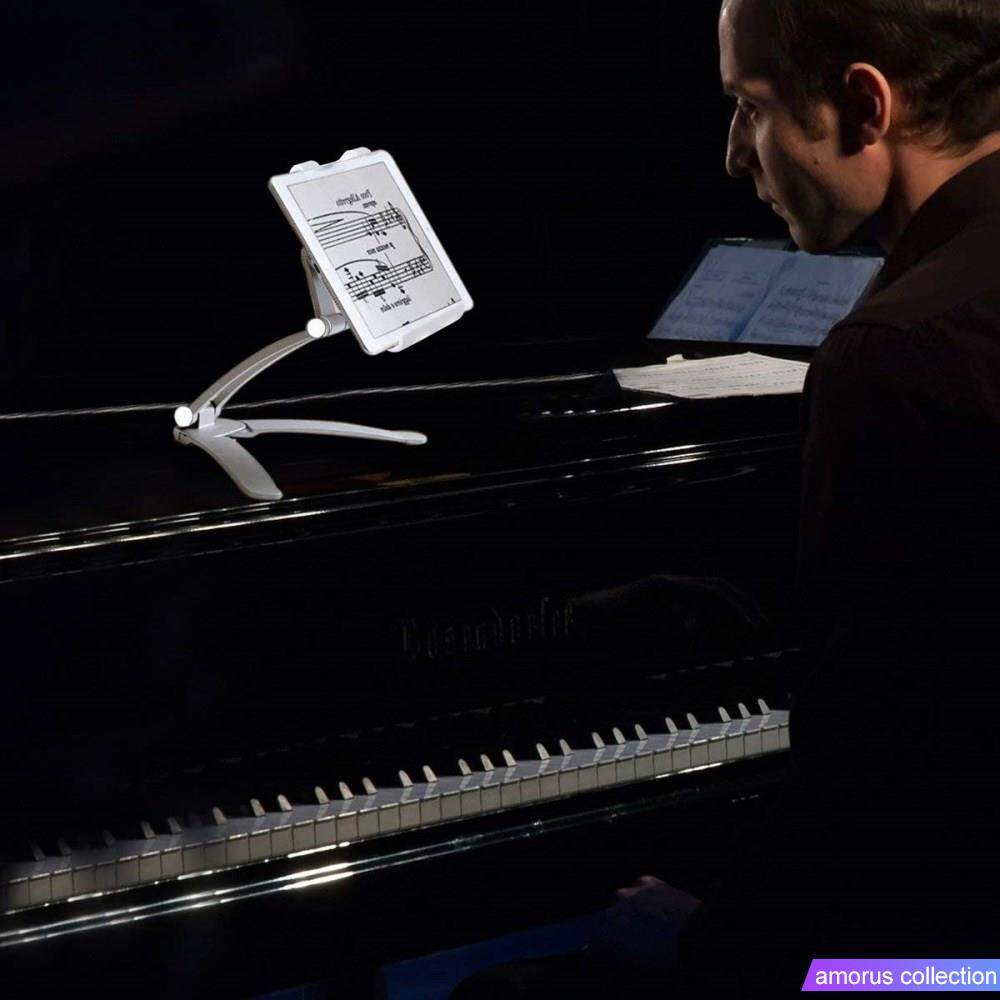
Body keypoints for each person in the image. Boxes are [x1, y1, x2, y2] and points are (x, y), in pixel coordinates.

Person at [454, 0, 1000, 994]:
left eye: (751, 107)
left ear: (863, 106)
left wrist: (712, 946)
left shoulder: (896, 354)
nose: (735, 156)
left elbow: (879, 780)